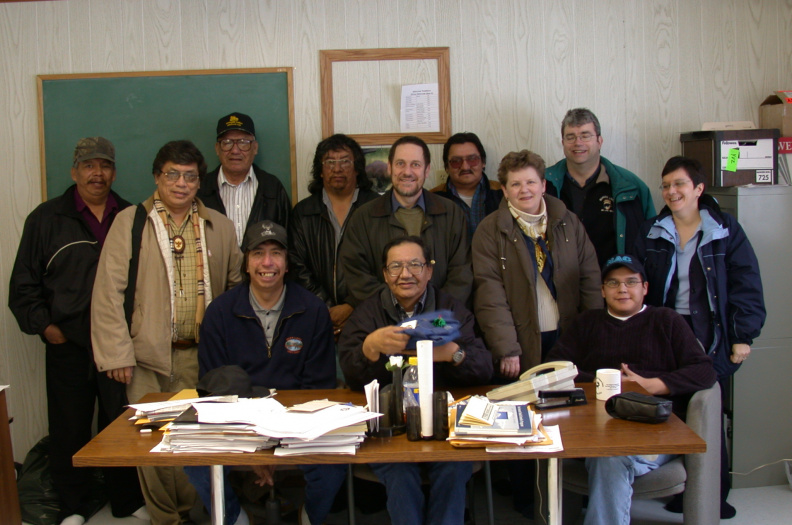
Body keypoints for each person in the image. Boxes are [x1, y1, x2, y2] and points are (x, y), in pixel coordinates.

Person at [91, 140, 243, 525]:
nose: (181, 183)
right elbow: (109, 293)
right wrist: (117, 355)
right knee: (153, 445)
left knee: (196, 442)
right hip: (146, 359)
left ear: (199, 182)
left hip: (201, 357)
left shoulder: (219, 226)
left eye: (190, 177)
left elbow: (238, 291)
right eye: (172, 174)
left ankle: (193, 514)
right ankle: (166, 518)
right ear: (157, 176)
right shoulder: (129, 222)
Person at [8, 137, 145, 525]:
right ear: (74, 172)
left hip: (118, 343)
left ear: (114, 172)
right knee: (69, 426)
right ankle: (73, 506)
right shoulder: (46, 218)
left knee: (122, 424)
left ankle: (127, 501)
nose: (96, 173)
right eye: (88, 166)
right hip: (68, 343)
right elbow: (23, 286)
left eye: (103, 166)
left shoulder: (132, 215)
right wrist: (46, 327)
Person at [184, 221, 345, 525]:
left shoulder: (312, 311)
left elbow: (318, 387)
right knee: (194, 462)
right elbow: (215, 387)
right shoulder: (219, 313)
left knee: (333, 465)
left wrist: (279, 438)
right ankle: (234, 518)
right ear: (246, 262)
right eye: (258, 253)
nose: (267, 263)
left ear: (287, 264)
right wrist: (256, 443)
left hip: (300, 422)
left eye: (276, 253)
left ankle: (311, 514)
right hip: (237, 423)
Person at [632, 155, 765, 519]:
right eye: (666, 185)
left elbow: (746, 285)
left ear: (698, 189)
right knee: (670, 409)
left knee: (706, 411)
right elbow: (636, 280)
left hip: (712, 334)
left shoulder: (725, 230)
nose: (671, 191)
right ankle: (677, 489)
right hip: (666, 332)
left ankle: (711, 496)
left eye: (679, 184)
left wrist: (743, 336)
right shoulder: (651, 230)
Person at [546, 254, 717, 525]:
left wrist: (653, 386)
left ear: (645, 288)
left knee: (610, 458)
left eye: (630, 282)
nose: (622, 289)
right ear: (602, 291)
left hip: (655, 430)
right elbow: (552, 368)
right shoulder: (586, 323)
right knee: (606, 454)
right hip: (593, 428)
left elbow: (705, 370)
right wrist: (607, 384)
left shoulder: (666, 320)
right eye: (613, 283)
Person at [339, 236, 493, 525]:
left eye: (414, 265)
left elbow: (484, 368)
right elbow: (349, 375)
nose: (405, 274)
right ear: (385, 274)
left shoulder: (452, 310)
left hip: (443, 425)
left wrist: (454, 354)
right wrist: (369, 347)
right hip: (390, 424)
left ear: (429, 271)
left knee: (453, 468)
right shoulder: (368, 313)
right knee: (399, 471)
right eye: (395, 266)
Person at [473, 149, 601, 379]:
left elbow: (590, 281)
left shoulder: (568, 222)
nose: (524, 190)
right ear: (504, 190)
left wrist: (593, 337)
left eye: (531, 182)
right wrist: (507, 348)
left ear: (543, 185)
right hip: (521, 343)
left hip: (568, 337)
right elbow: (489, 295)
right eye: (515, 184)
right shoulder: (489, 231)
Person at [339, 135, 472, 307]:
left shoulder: (452, 214)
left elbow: (461, 275)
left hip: (439, 323)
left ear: (427, 170)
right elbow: (357, 276)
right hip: (383, 322)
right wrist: (396, 309)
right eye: (400, 163)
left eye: (415, 164)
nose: (407, 172)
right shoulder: (363, 218)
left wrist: (431, 311)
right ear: (389, 167)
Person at [289, 134, 379, 336]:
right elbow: (297, 266)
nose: (337, 169)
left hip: (368, 316)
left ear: (357, 167)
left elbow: (385, 264)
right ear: (320, 170)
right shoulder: (303, 212)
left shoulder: (376, 209)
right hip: (315, 316)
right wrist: (326, 308)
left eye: (345, 161)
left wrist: (352, 305)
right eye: (329, 162)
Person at [545, 108, 655, 268]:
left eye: (585, 135)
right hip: (559, 285)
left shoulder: (632, 186)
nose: (578, 142)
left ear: (599, 141)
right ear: (562, 143)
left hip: (613, 286)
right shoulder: (542, 184)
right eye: (571, 137)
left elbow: (651, 242)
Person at [198, 112, 291, 244]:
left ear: (255, 148)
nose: (235, 150)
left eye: (243, 142)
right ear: (217, 149)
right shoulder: (200, 188)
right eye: (227, 142)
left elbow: (287, 241)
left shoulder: (273, 187)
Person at [431, 132, 502, 241]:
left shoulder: (503, 193)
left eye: (472, 159)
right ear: (447, 167)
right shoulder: (432, 198)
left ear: (483, 162)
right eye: (456, 161)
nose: (465, 167)